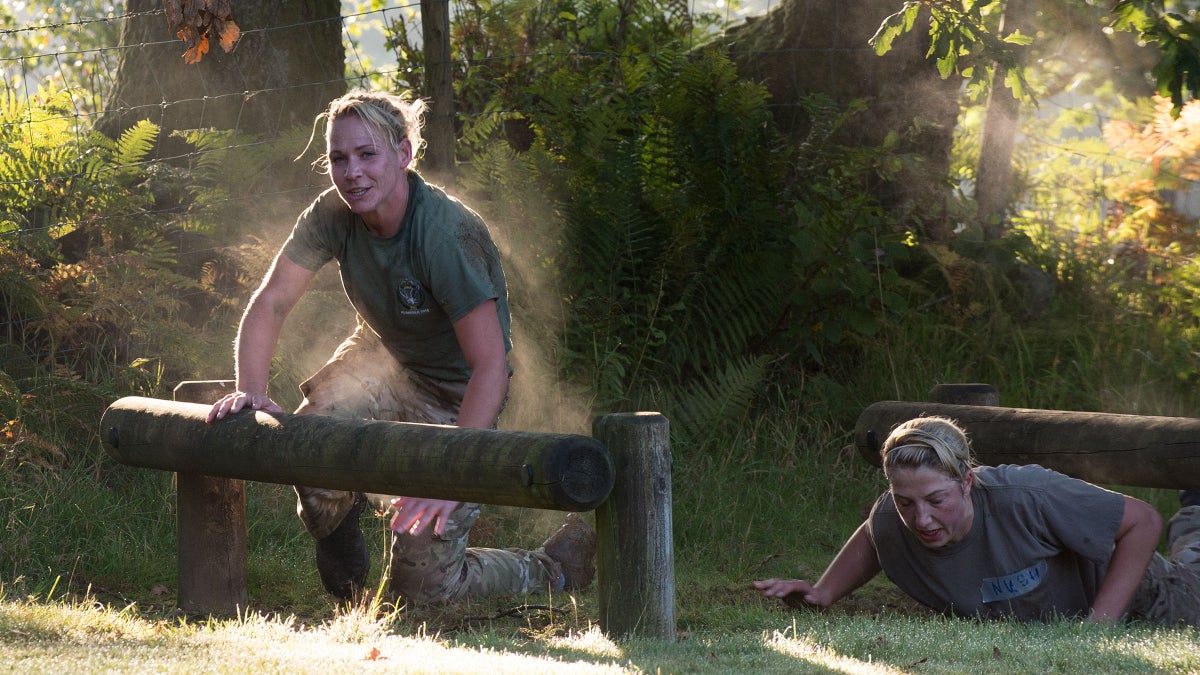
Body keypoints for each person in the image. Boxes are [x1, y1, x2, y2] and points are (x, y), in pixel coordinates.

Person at [204, 89, 596, 605]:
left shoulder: (444, 234)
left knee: (425, 593)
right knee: (309, 436)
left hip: (460, 391)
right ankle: (341, 547)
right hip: (383, 357)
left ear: (404, 154)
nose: (352, 173)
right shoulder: (331, 214)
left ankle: (552, 568)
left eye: (368, 155)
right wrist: (250, 390)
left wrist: (448, 477)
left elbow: (490, 367)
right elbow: (273, 301)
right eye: (338, 159)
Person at [754, 415, 1200, 625]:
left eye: (935, 499)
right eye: (906, 501)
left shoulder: (1026, 495)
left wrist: (1101, 623)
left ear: (967, 482)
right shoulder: (895, 515)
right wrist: (824, 591)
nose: (921, 518)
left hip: (1146, 595)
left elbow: (1141, 521)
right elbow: (875, 534)